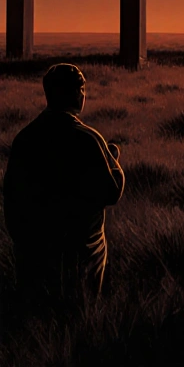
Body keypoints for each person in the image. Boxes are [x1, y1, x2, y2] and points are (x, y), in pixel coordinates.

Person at [3, 63, 124, 307]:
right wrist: (113, 161)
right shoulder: (88, 138)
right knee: (81, 315)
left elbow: (11, 197)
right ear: (76, 93)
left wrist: (23, 242)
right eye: (82, 89)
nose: (83, 94)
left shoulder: (25, 138)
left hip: (34, 251)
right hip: (81, 253)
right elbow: (111, 192)